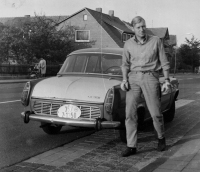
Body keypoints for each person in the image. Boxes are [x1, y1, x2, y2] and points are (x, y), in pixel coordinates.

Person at [120, 16, 171, 157]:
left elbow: (164, 62)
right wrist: (124, 79)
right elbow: (125, 64)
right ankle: (131, 146)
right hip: (133, 78)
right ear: (133, 29)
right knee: (130, 113)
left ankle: (161, 138)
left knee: (155, 112)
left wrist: (166, 80)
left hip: (150, 77)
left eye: (143, 26)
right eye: (138, 27)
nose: (141, 29)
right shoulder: (128, 44)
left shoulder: (156, 41)